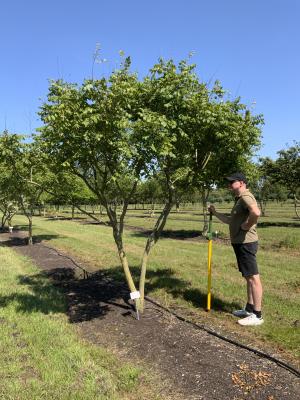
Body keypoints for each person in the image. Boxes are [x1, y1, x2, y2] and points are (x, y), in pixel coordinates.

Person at [208, 172, 264, 326]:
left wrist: (247, 225)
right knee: (248, 277)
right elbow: (230, 220)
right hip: (240, 243)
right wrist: (215, 212)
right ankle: (249, 308)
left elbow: (256, 213)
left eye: (232, 182)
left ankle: (257, 315)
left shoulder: (246, 196)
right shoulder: (239, 200)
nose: (229, 185)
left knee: (253, 277)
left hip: (246, 243)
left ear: (241, 182)